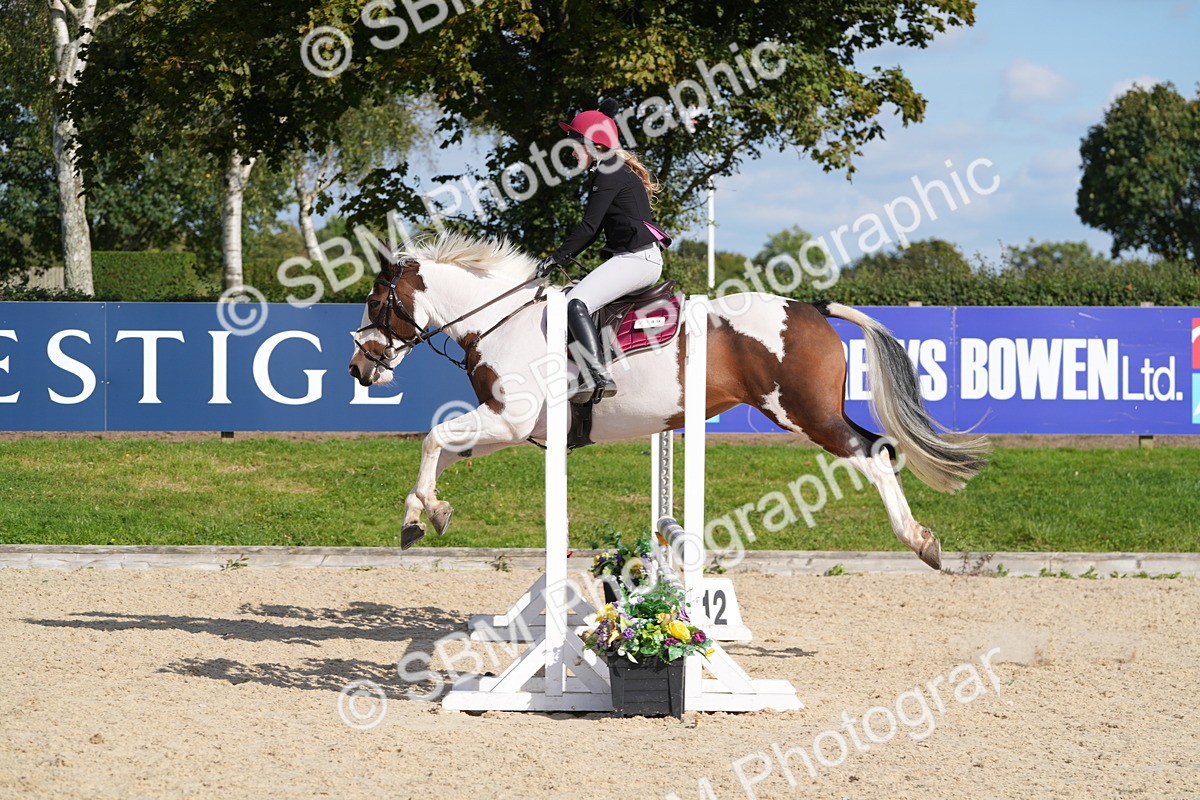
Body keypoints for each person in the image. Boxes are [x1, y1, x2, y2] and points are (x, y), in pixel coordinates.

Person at [537, 99, 669, 402]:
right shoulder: (612, 169)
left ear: (592, 144)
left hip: (638, 259)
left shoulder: (609, 172)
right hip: (635, 257)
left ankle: (596, 374)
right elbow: (594, 229)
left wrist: (554, 259)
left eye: (574, 144)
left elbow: (588, 227)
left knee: (575, 302)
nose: (571, 151)